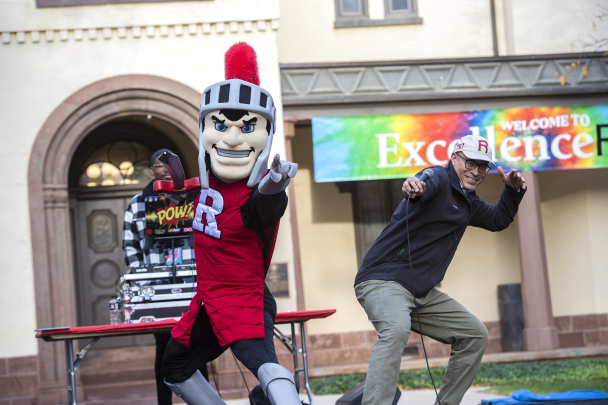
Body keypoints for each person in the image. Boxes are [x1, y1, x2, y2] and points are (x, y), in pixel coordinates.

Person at [158, 43, 301, 405]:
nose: (233, 138)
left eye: (247, 127)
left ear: (265, 135)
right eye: (221, 125)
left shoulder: (258, 195)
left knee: (261, 363)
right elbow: (189, 191)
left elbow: (267, 206)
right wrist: (175, 186)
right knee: (175, 366)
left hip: (242, 298)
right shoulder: (209, 185)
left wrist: (275, 185)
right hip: (207, 301)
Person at [354, 135, 527, 405]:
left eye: (483, 167)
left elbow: (497, 220)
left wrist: (513, 191)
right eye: (471, 163)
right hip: (382, 279)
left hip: (420, 291)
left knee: (474, 334)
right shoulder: (437, 178)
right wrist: (414, 186)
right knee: (397, 329)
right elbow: (424, 182)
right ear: (454, 158)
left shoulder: (469, 203)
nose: (477, 172)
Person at [122, 148, 208, 405]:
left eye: (172, 163)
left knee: (196, 346)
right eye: (161, 164)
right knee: (164, 348)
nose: (167, 168)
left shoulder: (192, 200)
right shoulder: (137, 204)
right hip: (157, 292)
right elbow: (130, 248)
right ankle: (164, 403)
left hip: (191, 289)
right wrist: (146, 284)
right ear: (152, 171)